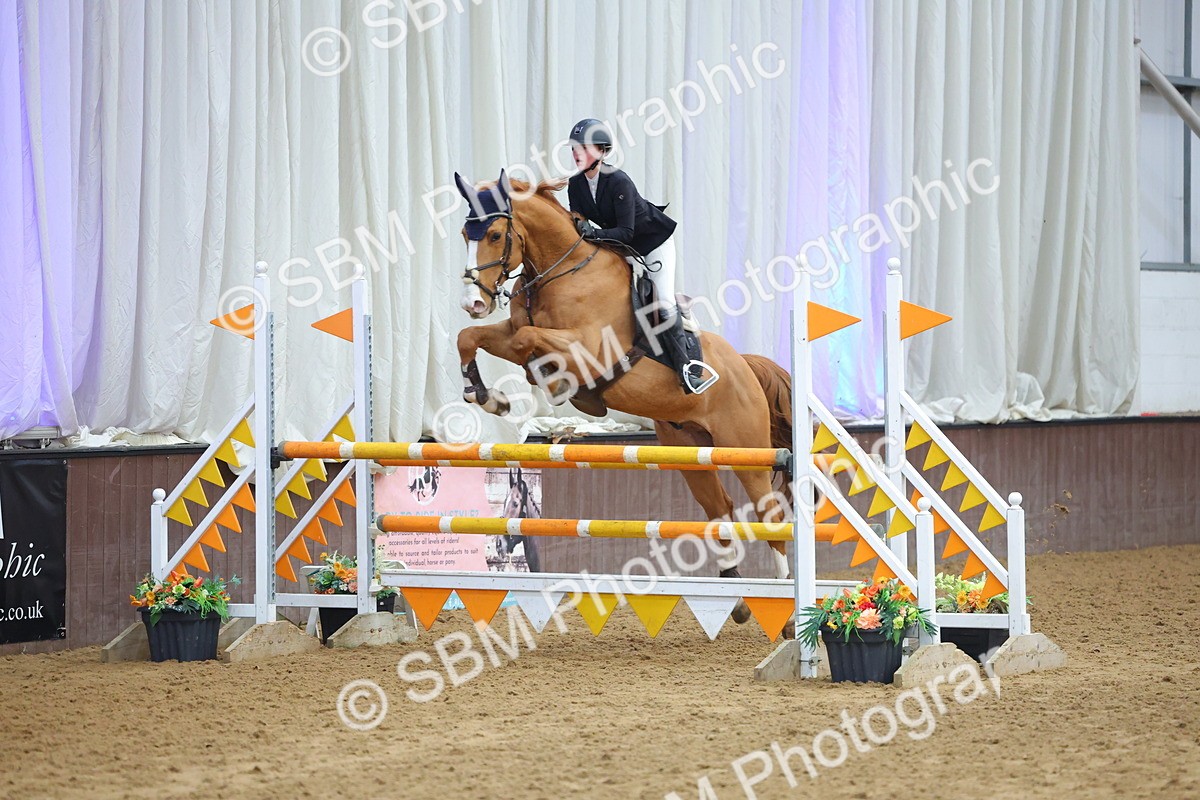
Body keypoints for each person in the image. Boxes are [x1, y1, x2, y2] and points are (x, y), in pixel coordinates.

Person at [565, 118, 717, 394]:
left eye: (584, 148)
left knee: (663, 304)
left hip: (652, 244)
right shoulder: (575, 185)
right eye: (574, 148)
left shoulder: (618, 181)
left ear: (602, 151)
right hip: (620, 247)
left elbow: (625, 231)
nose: (577, 153)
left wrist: (593, 235)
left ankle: (688, 370)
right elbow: (578, 222)